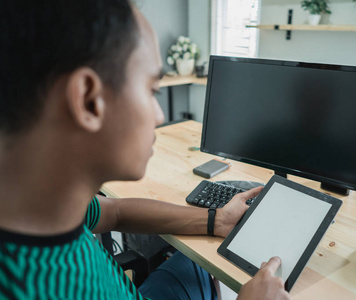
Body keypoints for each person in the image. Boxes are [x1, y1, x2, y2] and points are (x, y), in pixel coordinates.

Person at [0, 1, 290, 299]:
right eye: (152, 90)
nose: (160, 116)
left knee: (196, 264)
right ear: (88, 100)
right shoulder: (30, 287)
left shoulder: (42, 201)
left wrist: (216, 220)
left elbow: (116, 211)